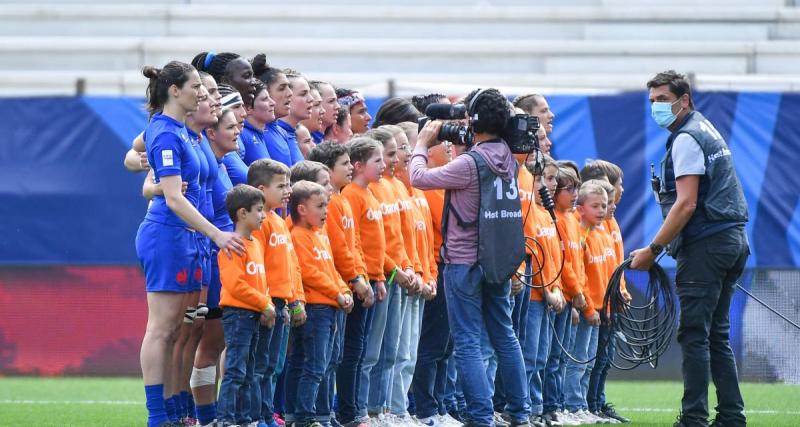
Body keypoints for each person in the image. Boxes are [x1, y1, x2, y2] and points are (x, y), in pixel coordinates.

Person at [630, 70, 749, 427]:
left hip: (707, 246)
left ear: (685, 100)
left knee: (695, 334)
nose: (657, 107)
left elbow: (686, 204)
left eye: (663, 100)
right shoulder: (704, 128)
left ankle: (694, 418)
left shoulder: (686, 138)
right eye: (652, 101)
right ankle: (731, 416)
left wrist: (653, 250)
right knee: (717, 335)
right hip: (731, 241)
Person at [410, 88, 531, 427]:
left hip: (463, 260)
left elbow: (418, 178)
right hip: (498, 258)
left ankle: (480, 416)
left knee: (466, 341)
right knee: (504, 335)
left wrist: (423, 143)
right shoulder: (509, 156)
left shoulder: (470, 163)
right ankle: (519, 412)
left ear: (474, 122)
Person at [135, 61, 243, 427]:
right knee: (163, 329)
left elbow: (152, 167)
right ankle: (158, 416)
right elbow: (174, 198)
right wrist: (216, 234)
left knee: (182, 328)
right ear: (175, 91)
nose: (203, 92)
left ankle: (177, 412)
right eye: (196, 86)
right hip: (168, 235)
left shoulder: (182, 132)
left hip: (188, 238)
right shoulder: (166, 133)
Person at [190, 107, 241, 427]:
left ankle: (220, 415)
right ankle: (205, 417)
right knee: (208, 342)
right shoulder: (201, 163)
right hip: (210, 259)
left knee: (221, 341)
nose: (238, 131)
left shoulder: (220, 164)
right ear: (211, 132)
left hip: (229, 261)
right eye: (231, 126)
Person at [289, 181, 355, 427]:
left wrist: (344, 290)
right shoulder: (298, 236)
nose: (326, 211)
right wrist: (336, 293)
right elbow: (309, 273)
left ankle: (321, 415)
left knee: (329, 363)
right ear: (302, 209)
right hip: (317, 309)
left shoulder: (320, 235)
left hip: (332, 307)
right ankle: (304, 418)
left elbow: (331, 271)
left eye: (326, 205)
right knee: (314, 365)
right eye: (320, 206)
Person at [249, 159, 305, 427]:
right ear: (261, 189)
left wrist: (295, 300)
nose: (288, 191)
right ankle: (256, 415)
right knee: (260, 366)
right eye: (282, 186)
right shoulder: (259, 224)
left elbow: (291, 265)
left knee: (274, 365)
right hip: (267, 305)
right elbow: (257, 267)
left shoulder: (281, 221)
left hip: (282, 303)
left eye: (289, 184)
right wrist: (265, 303)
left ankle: (267, 413)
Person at [216, 184, 276, 427]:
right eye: (259, 210)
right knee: (235, 370)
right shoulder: (232, 246)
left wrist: (266, 304)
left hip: (253, 313)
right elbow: (235, 285)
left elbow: (261, 282)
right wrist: (264, 304)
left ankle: (245, 418)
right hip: (239, 315)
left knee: (250, 370)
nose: (263, 215)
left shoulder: (256, 244)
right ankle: (226, 419)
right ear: (242, 213)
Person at [338, 136, 387, 427]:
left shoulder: (370, 194)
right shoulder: (350, 197)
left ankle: (356, 409)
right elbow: (351, 244)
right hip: (357, 281)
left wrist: (378, 277)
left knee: (362, 349)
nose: (383, 166)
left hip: (370, 279)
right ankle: (349, 412)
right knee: (353, 350)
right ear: (358, 166)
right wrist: (360, 279)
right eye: (377, 160)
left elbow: (373, 243)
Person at [563, 182, 612, 425]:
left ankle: (580, 405)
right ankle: (572, 406)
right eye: (596, 206)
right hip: (584, 309)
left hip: (594, 308)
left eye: (604, 205)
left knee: (589, 361)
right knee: (578, 359)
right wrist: (584, 306)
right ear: (580, 209)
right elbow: (576, 274)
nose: (602, 210)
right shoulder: (578, 233)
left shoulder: (593, 233)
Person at [241, 81, 276, 165]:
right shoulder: (242, 134)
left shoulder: (259, 133)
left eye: (270, 98)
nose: (273, 103)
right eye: (264, 99)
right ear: (248, 108)